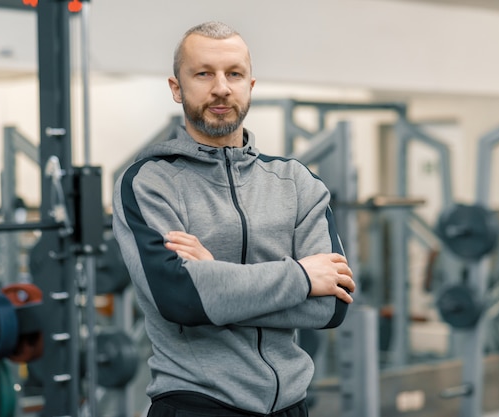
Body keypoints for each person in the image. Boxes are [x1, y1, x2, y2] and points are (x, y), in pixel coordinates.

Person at [111, 21, 356, 417]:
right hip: (196, 404)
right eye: (203, 73)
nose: (221, 87)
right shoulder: (150, 181)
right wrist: (303, 278)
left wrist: (214, 277)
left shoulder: (296, 182)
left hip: (291, 406)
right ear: (177, 87)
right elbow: (182, 299)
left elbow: (331, 307)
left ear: (250, 86)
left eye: (234, 74)